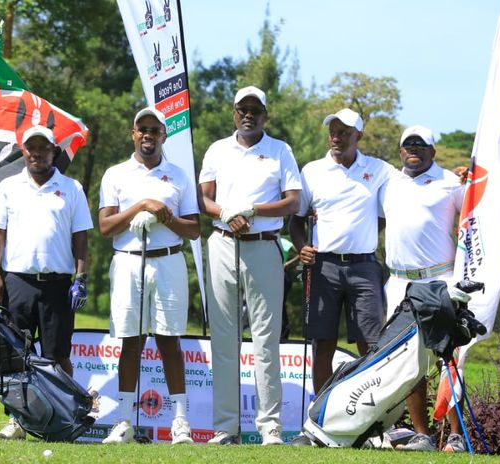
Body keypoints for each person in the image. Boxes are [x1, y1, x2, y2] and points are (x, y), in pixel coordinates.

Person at [199, 86, 301, 445]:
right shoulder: (217, 149)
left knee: (266, 339)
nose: (248, 115)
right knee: (224, 339)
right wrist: (226, 212)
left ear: (264, 115)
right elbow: (203, 198)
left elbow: (292, 202)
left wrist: (253, 210)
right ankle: (226, 428)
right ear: (234, 113)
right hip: (223, 244)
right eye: (243, 109)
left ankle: (269, 426)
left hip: (263, 246)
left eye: (255, 110)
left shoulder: (279, 150)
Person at [99, 107, 200, 445]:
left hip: (168, 260)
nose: (148, 135)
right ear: (133, 133)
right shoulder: (116, 174)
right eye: (142, 129)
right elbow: (105, 226)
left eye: (155, 130)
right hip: (128, 261)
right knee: (131, 340)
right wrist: (140, 206)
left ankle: (180, 421)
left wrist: (165, 216)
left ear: (163, 136)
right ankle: (124, 420)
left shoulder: (179, 175)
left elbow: (195, 230)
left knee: (169, 341)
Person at [0, 125, 93, 440]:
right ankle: (18, 421)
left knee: (57, 355)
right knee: (16, 354)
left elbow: (81, 236)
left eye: (43, 148)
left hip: (57, 283)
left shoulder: (71, 187)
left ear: (54, 151)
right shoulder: (8, 186)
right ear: (24, 150)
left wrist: (81, 277)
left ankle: (66, 418)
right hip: (17, 281)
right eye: (30, 147)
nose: (36, 153)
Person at [289, 108, 393, 407]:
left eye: (344, 133)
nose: (336, 137)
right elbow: (296, 220)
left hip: (364, 267)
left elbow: (405, 194)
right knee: (323, 343)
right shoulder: (312, 171)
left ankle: (369, 413)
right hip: (323, 267)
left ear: (358, 136)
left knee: (370, 343)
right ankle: (322, 412)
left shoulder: (379, 169)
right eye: (333, 131)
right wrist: (301, 247)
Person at [381, 125, 465, 453]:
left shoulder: (451, 181)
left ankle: (455, 436)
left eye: (420, 144)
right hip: (400, 281)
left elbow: (475, 211)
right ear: (401, 150)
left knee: (450, 356)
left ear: (433, 150)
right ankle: (422, 435)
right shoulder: (388, 182)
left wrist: (471, 176)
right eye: (407, 145)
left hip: (440, 279)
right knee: (409, 360)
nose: (413, 149)